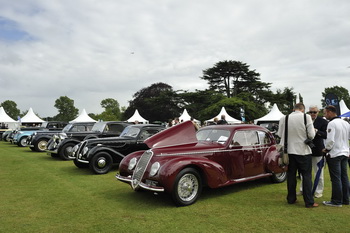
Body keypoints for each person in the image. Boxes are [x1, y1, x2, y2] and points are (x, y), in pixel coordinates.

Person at [277, 103, 318, 208]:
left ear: (293, 109)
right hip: (303, 151)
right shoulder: (306, 117)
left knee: (291, 176)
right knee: (306, 176)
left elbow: (280, 134)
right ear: (302, 109)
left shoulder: (284, 118)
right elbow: (311, 135)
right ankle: (309, 201)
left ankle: (291, 199)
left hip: (289, 151)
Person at [322, 105, 350, 207]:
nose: (325, 115)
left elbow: (330, 140)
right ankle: (346, 199)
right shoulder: (346, 123)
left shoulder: (331, 123)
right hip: (344, 152)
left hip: (335, 153)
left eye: (325, 113)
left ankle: (336, 201)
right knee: (344, 177)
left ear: (329, 112)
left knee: (336, 178)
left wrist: (327, 149)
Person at [298, 105, 328, 198]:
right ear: (308, 112)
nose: (312, 114)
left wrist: (317, 131)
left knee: (318, 172)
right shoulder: (304, 120)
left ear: (318, 112)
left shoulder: (323, 121)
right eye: (311, 112)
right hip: (305, 149)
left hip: (318, 149)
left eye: (314, 112)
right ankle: (303, 189)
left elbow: (326, 135)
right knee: (304, 171)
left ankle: (319, 191)